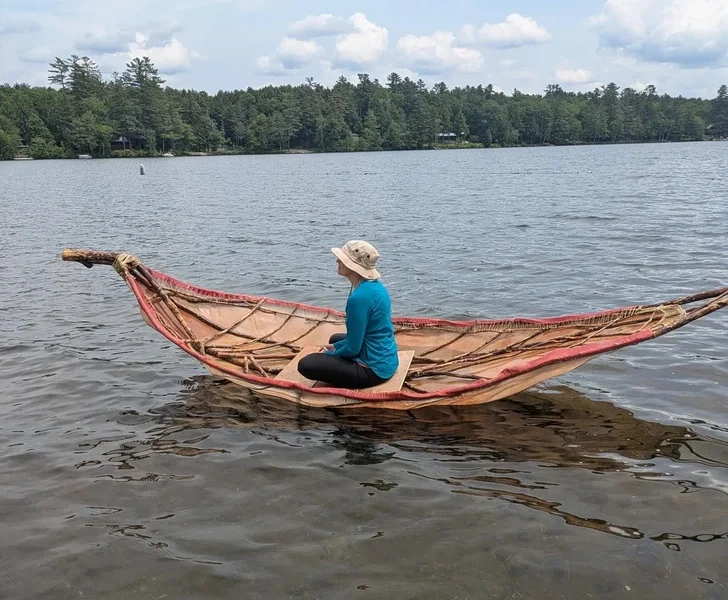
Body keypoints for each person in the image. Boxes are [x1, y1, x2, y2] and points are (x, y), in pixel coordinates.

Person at [297, 240, 399, 389]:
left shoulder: (358, 298)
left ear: (353, 266)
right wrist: (336, 346)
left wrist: (331, 355)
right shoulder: (375, 286)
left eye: (342, 259)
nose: (337, 261)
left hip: (374, 370)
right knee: (335, 339)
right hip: (388, 360)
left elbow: (353, 349)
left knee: (306, 364)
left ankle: (354, 371)